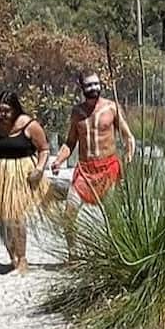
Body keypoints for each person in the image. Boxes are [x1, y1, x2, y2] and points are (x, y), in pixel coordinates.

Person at [50, 72, 136, 255]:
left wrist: (129, 155)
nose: (94, 88)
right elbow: (70, 142)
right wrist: (58, 160)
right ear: (82, 87)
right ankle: (72, 254)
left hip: (108, 169)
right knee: (69, 214)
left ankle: (116, 253)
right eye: (89, 85)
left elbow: (128, 137)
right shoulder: (77, 113)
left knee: (113, 216)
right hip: (84, 171)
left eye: (96, 84)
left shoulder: (112, 108)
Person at [0, 91, 50, 274]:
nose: (2, 115)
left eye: (7, 111)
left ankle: (23, 259)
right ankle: (12, 258)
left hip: (22, 173)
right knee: (3, 218)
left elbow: (44, 149)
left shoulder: (30, 125)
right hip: (2, 176)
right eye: (0, 111)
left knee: (16, 217)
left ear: (15, 109)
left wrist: (39, 169)